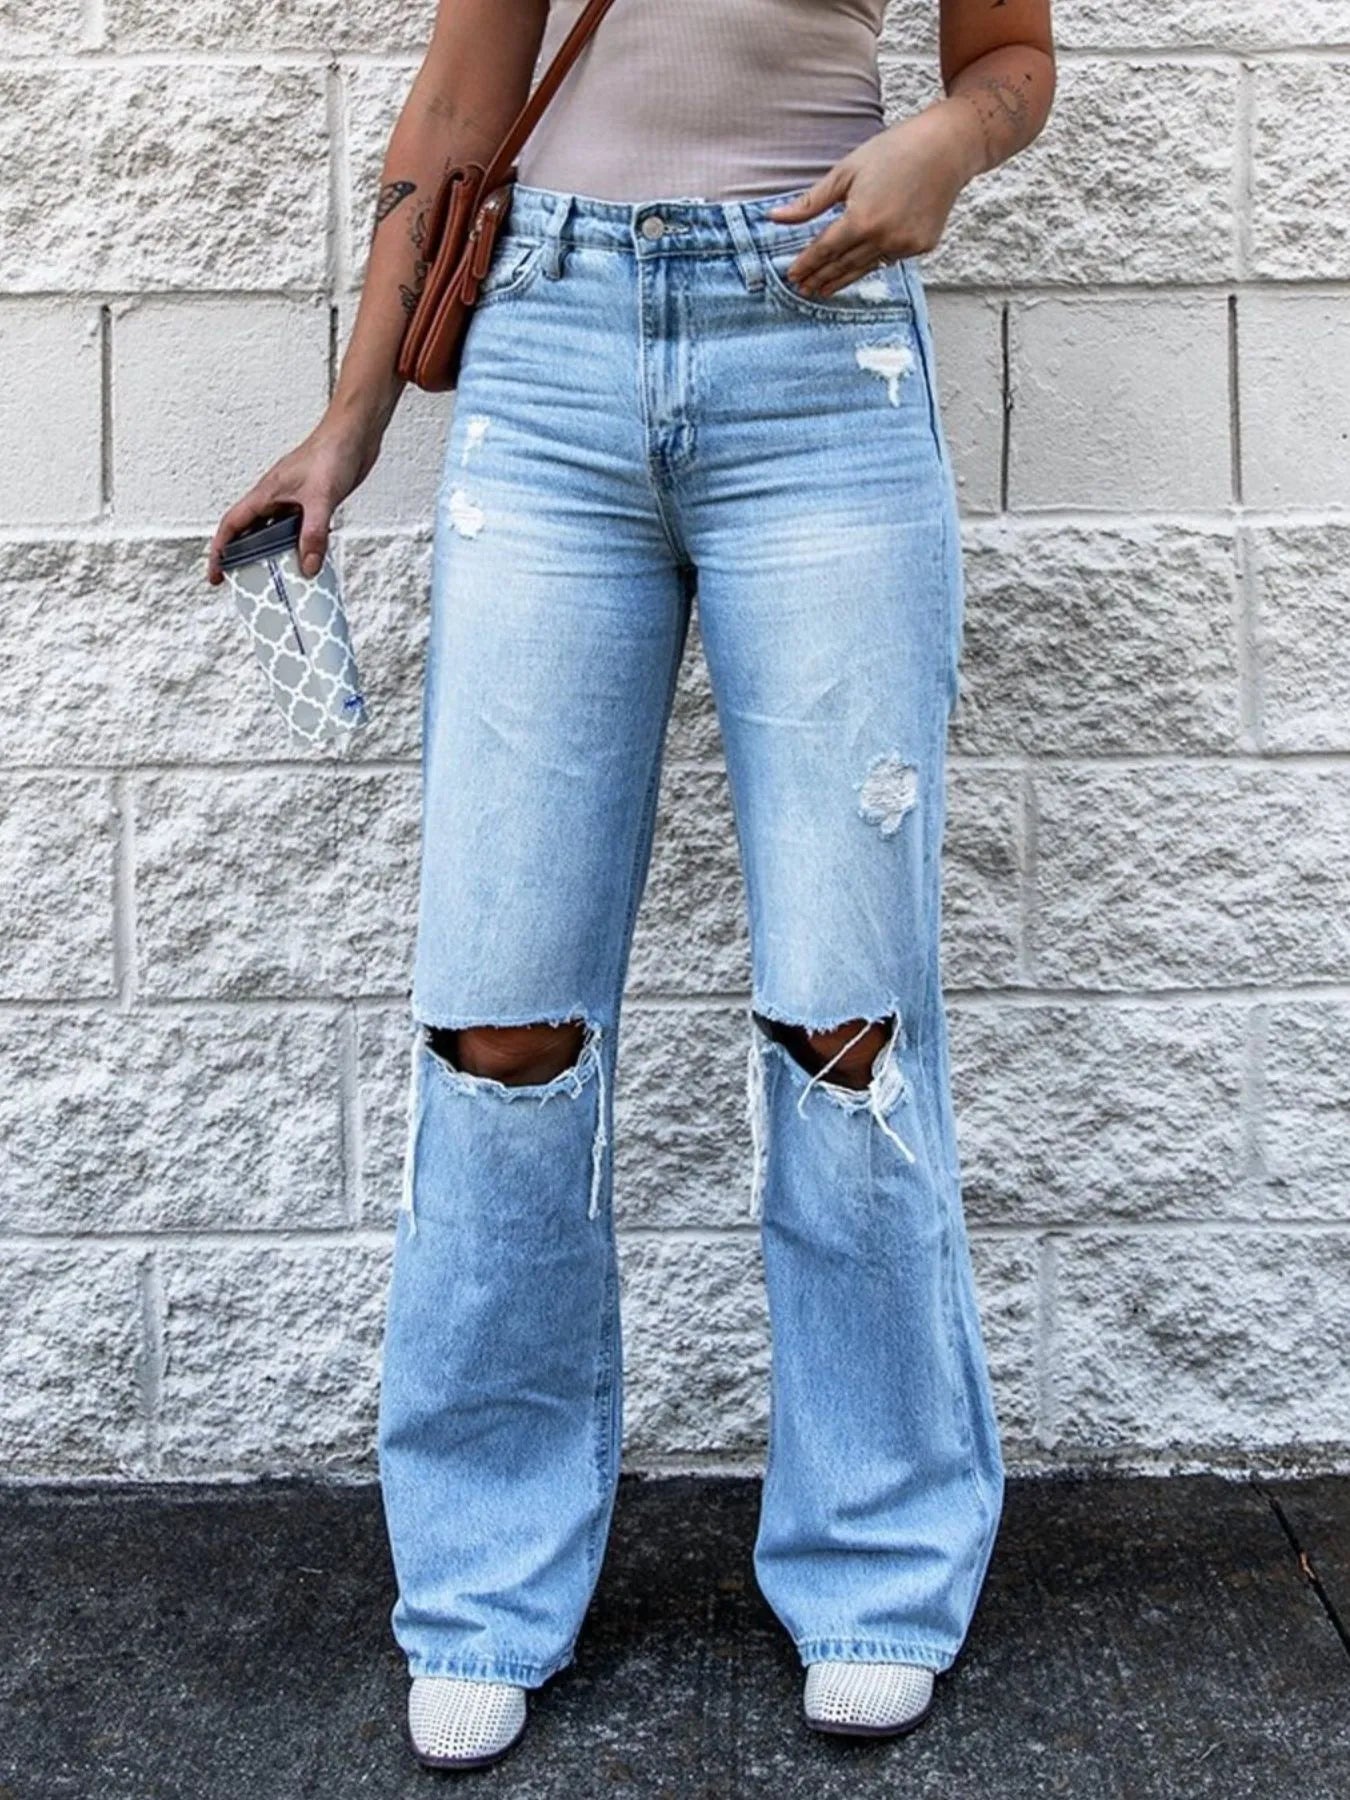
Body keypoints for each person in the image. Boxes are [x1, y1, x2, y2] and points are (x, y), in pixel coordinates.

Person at [207, 0, 1056, 1771]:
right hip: (546, 361)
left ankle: (877, 1561)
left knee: (847, 1019)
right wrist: (351, 417)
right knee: (496, 1024)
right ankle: (481, 1584)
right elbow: (461, 98)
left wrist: (944, 150)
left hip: (817, 360)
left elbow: (1009, 61)